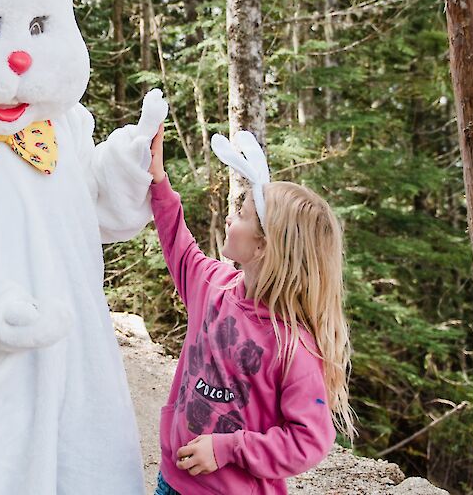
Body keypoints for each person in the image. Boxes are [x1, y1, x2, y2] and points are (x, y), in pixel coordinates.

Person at [147, 125, 351, 495]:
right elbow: (179, 244)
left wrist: (230, 448)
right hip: (173, 481)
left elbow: (309, 440)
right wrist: (159, 181)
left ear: (263, 247)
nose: (229, 219)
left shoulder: (292, 346)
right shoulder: (213, 286)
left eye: (241, 215)